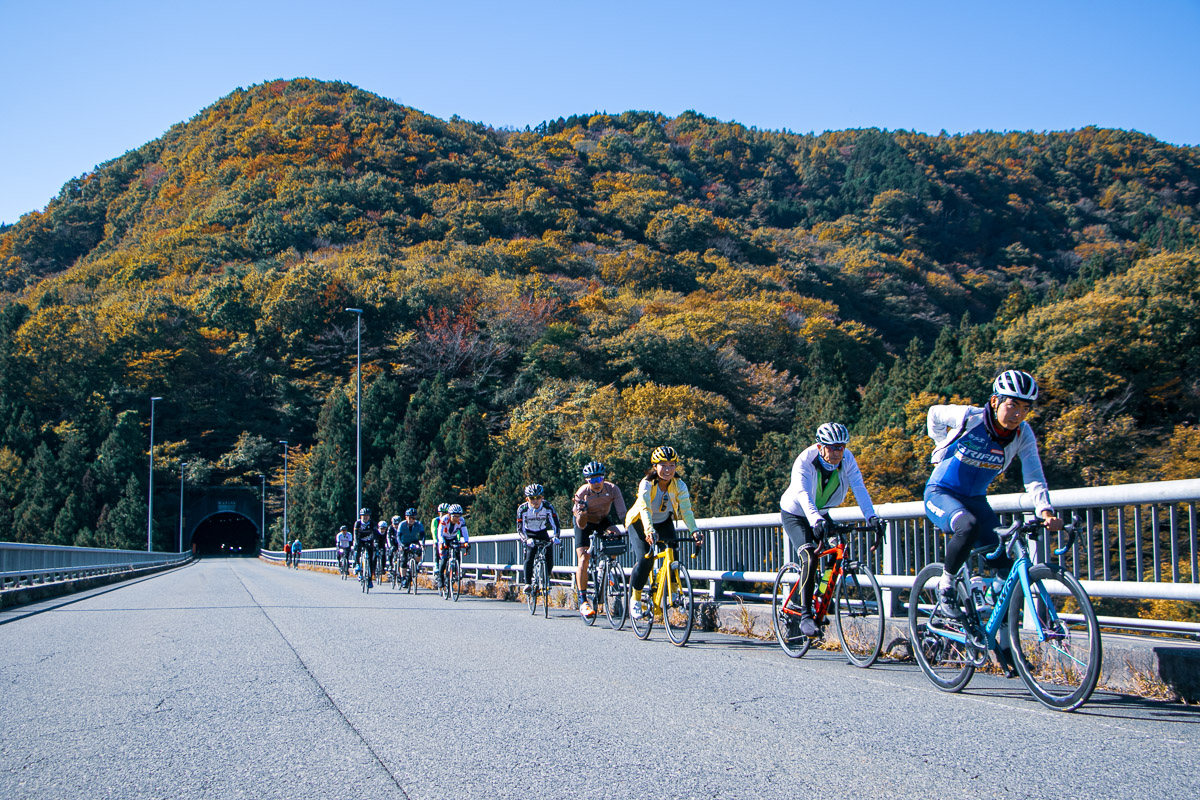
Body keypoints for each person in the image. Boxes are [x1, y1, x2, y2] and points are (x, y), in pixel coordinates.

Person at [924, 370, 1062, 670]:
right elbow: (934, 414)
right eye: (1012, 405)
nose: (1018, 414)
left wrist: (1045, 510)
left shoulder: (1023, 434)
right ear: (995, 400)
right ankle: (945, 586)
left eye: (1026, 408)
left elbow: (1034, 476)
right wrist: (938, 448)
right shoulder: (969, 417)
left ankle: (1001, 643)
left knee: (1004, 567)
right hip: (941, 492)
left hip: (976, 499)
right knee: (968, 526)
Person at [779, 422, 885, 636]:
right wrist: (816, 521)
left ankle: (820, 593)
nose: (837, 452)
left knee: (839, 549)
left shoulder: (847, 460)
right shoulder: (805, 461)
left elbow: (859, 487)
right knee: (809, 555)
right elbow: (803, 494)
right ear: (820, 447)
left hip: (822, 511)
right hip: (796, 512)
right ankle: (806, 614)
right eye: (832, 447)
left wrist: (872, 516)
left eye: (841, 447)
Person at [625, 446, 704, 620]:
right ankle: (636, 598)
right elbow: (644, 508)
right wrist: (649, 530)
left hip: (663, 521)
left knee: (673, 554)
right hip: (639, 522)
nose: (668, 469)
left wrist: (694, 530)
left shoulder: (679, 485)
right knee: (645, 559)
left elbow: (686, 510)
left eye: (671, 465)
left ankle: (674, 592)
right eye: (663, 465)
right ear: (655, 466)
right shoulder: (646, 483)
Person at [571, 461, 627, 619]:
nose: (596, 483)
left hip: (602, 520)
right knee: (583, 558)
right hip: (585, 523)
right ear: (587, 480)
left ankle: (609, 567)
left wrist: (630, 528)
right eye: (592, 480)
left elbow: (622, 513)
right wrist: (582, 512)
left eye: (599, 479)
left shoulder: (612, 489)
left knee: (615, 533)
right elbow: (580, 524)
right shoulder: (582, 493)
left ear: (604, 478)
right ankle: (583, 601)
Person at [516, 484, 562, 595]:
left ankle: (545, 579)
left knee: (549, 557)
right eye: (532, 498)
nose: (535, 501)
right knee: (530, 555)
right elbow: (519, 529)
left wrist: (556, 536)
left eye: (538, 498)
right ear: (527, 499)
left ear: (542, 497)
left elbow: (556, 524)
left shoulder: (548, 507)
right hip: (529, 533)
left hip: (542, 532)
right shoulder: (522, 509)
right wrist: (526, 540)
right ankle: (527, 584)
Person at [436, 504, 470, 589]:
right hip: (444, 538)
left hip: (453, 537)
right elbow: (439, 532)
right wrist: (442, 542)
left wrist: (466, 542)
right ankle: (440, 577)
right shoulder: (444, 519)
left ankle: (457, 571)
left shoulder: (461, 520)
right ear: (449, 515)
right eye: (454, 516)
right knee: (444, 559)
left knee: (457, 553)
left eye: (458, 516)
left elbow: (465, 531)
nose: (456, 518)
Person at [395, 508, 426, 588]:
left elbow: (422, 535)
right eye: (410, 518)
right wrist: (401, 545)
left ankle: (416, 565)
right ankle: (403, 578)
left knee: (419, 551)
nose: (412, 520)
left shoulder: (418, 524)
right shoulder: (402, 524)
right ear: (406, 517)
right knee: (404, 559)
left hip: (414, 541)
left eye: (414, 518)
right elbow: (398, 536)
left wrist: (423, 543)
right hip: (404, 542)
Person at [352, 507, 378, 585]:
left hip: (369, 541)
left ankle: (369, 579)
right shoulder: (358, 523)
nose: (365, 517)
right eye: (363, 515)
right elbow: (355, 534)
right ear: (361, 516)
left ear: (369, 516)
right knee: (357, 551)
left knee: (370, 559)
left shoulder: (372, 523)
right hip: (360, 540)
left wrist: (375, 542)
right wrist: (356, 542)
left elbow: (375, 533)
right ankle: (357, 565)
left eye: (367, 515)